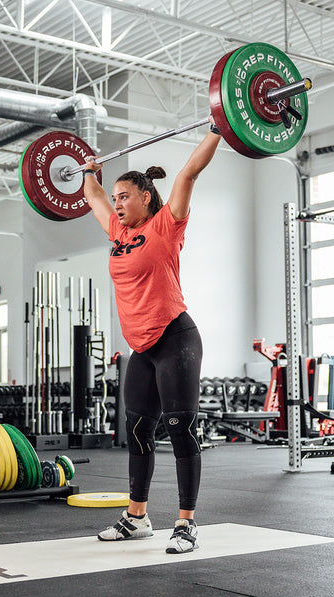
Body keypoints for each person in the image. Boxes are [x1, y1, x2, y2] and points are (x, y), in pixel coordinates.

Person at [81, 126, 222, 554]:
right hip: (141, 349)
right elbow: (92, 196)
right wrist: (92, 170)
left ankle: (186, 523)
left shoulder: (166, 225)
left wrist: (218, 127)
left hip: (176, 339)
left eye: (126, 196)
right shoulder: (119, 235)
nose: (118, 203)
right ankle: (137, 517)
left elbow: (189, 174)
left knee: (180, 431)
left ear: (145, 197)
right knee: (138, 431)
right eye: (117, 197)